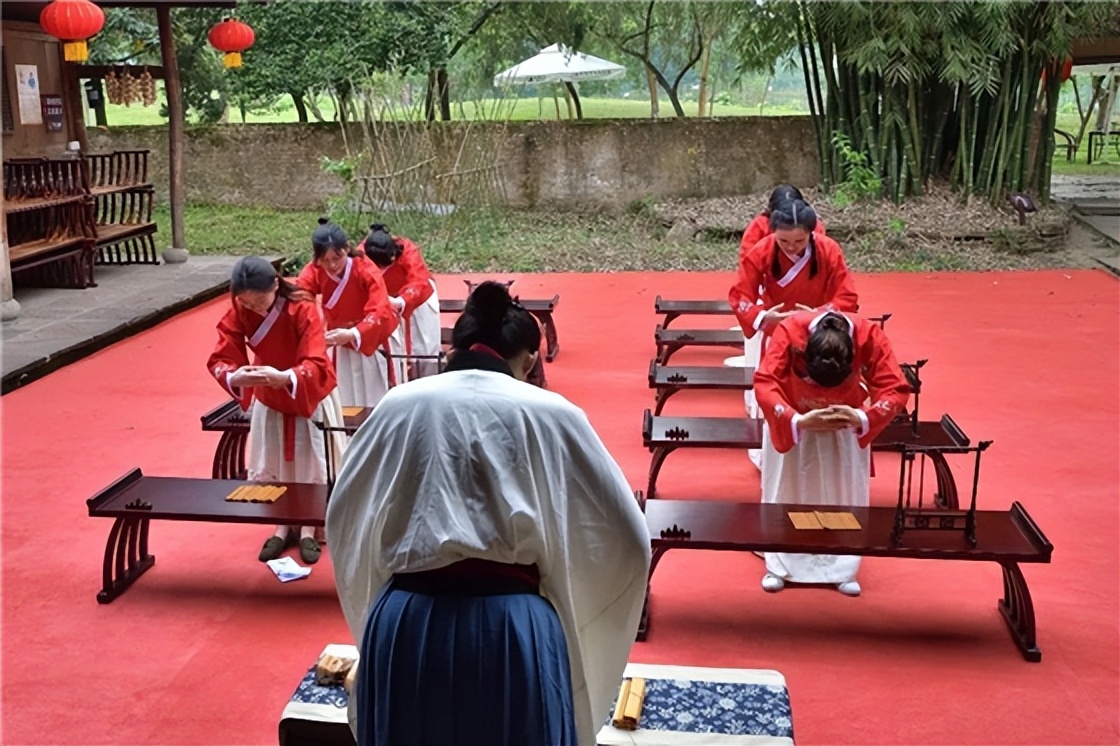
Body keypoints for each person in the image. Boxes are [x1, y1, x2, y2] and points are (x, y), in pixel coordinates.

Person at [326, 281, 650, 746]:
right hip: (513, 632)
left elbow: (345, 517)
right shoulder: (552, 414)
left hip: (408, 623)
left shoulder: (397, 407)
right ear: (530, 359)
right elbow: (626, 540)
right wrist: (566, 594)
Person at [753, 310, 910, 596]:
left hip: (844, 428)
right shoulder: (789, 330)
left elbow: (896, 388)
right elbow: (765, 382)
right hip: (794, 423)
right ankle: (779, 562)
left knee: (841, 493)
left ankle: (841, 564)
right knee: (787, 490)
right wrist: (798, 420)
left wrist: (862, 417)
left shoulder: (869, 334)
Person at [207, 256, 346, 565]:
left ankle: (310, 527)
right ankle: (282, 525)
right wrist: (235, 375)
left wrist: (287, 377)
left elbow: (316, 358)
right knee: (274, 459)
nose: (255, 308)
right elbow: (223, 352)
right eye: (247, 303)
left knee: (311, 460)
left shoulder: (301, 307)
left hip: (306, 391)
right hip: (270, 393)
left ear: (275, 284)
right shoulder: (242, 309)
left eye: (260, 301)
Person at [730, 198, 856, 469]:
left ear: (812, 232)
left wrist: (818, 313)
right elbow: (741, 295)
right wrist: (764, 317)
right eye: (783, 241)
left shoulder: (829, 250)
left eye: (798, 242)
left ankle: (825, 458)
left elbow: (847, 295)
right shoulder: (763, 250)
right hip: (779, 332)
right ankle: (778, 457)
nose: (790, 248)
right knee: (778, 391)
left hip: (822, 333)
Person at [296, 219, 399, 408]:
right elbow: (301, 297)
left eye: (337, 258)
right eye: (325, 260)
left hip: (371, 338)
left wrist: (354, 333)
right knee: (345, 398)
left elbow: (379, 310)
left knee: (375, 398)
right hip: (339, 339)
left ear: (347, 248)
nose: (332, 265)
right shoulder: (315, 270)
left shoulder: (365, 269)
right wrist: (314, 327)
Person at [358, 223, 442, 381]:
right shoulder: (361, 255)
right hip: (382, 298)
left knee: (424, 345)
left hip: (418, 297)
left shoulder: (408, 250)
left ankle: (427, 380)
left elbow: (419, 281)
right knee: (390, 345)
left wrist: (401, 301)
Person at [739, 184, 827, 265]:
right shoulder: (759, 225)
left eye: (799, 240)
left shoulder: (813, 225)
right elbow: (747, 260)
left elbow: (822, 256)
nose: (791, 248)